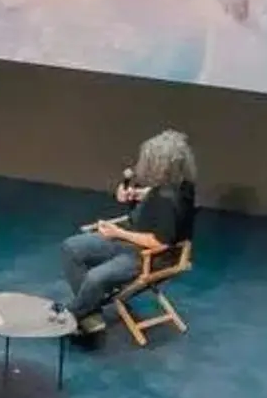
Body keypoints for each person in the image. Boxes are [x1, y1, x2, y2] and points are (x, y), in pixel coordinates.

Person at [60, 129, 197, 336]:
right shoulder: (178, 184)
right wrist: (138, 194)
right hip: (133, 241)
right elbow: (155, 197)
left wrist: (118, 233)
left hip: (150, 257)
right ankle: (90, 310)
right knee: (71, 247)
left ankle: (74, 314)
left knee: (95, 279)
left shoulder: (171, 199)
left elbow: (159, 242)